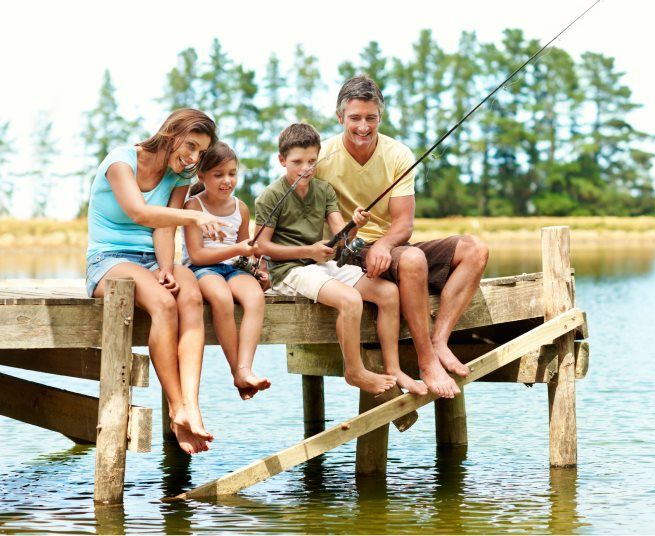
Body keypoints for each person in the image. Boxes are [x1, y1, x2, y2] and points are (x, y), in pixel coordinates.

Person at [317, 74, 489, 399]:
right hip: (346, 249)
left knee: (475, 249)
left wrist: (383, 244)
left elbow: (403, 224)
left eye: (371, 118)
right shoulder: (323, 157)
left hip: (390, 247)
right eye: (354, 118)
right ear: (340, 117)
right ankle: (427, 363)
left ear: (380, 116)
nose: (363, 127)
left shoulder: (398, 154)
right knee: (412, 258)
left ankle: (439, 340)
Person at [85, 108, 227, 454]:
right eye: (190, 146)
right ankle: (176, 408)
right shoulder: (120, 161)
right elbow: (139, 212)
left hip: (151, 259)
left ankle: (191, 405)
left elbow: (165, 226)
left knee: (189, 294)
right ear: (171, 132)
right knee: (164, 303)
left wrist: (166, 267)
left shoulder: (178, 177)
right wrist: (194, 216)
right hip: (108, 260)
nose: (193, 158)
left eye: (200, 152)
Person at [255, 123, 427, 396]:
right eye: (297, 162)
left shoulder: (323, 191)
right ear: (281, 160)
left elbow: (341, 236)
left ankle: (393, 368)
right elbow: (261, 246)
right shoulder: (271, 196)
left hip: (317, 265)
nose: (305, 168)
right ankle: (354, 371)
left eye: (312, 161)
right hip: (287, 271)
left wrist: (355, 223)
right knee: (350, 299)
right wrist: (308, 251)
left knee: (388, 293)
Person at [182, 141, 271, 401]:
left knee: (254, 297)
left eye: (232, 173)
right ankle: (237, 371)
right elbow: (197, 254)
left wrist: (255, 267)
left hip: (232, 269)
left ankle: (245, 367)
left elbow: (245, 251)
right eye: (218, 175)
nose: (226, 181)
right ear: (202, 176)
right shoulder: (193, 207)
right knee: (221, 298)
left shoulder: (240, 208)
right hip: (201, 269)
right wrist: (238, 251)